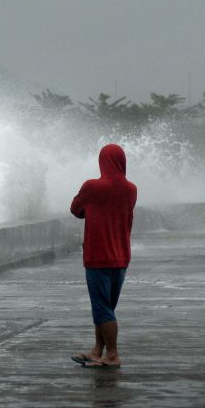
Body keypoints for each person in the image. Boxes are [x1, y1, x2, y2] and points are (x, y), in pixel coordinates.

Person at [69, 143, 137, 369]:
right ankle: (98, 350)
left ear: (102, 162)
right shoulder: (131, 189)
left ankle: (112, 355)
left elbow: (76, 210)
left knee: (101, 308)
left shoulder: (91, 187)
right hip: (121, 258)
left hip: (98, 257)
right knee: (106, 308)